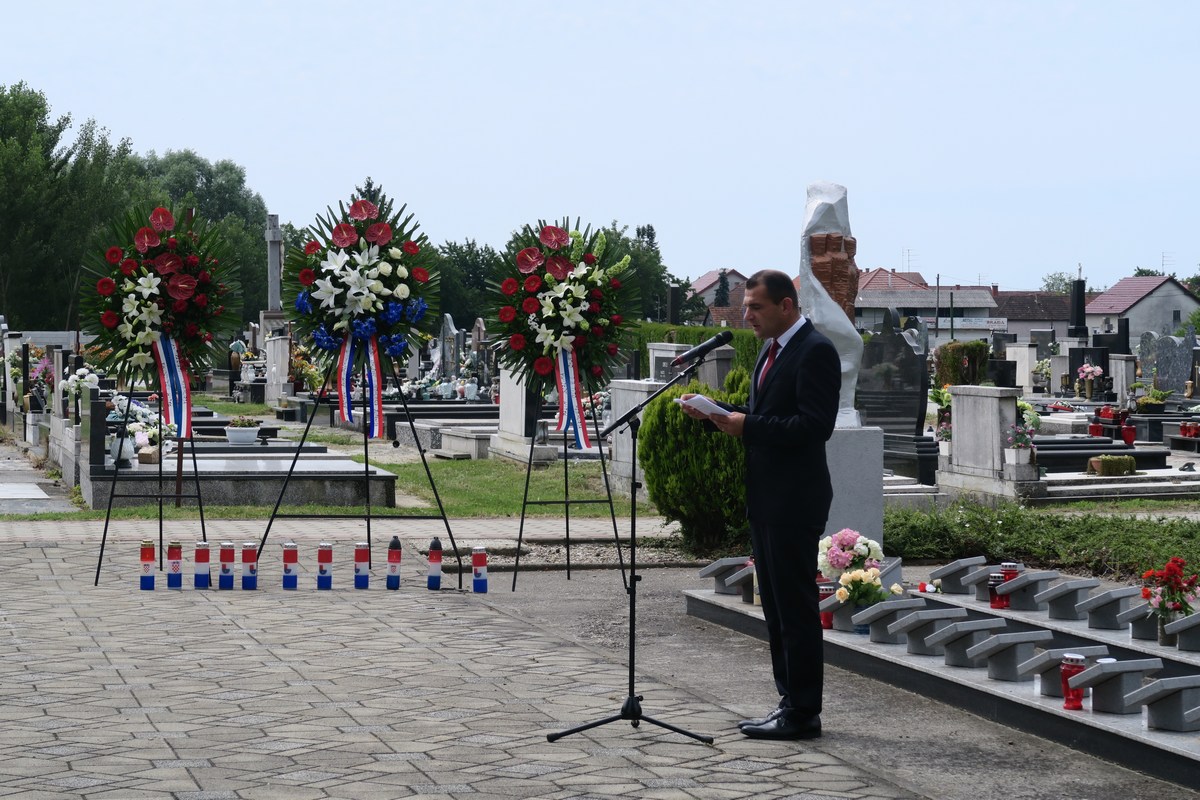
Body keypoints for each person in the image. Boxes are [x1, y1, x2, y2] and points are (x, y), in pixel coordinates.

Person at [680, 269, 840, 740]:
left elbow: (814, 426)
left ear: (786, 306)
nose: (746, 315)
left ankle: (803, 712)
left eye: (755, 307)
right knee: (776, 607)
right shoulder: (771, 352)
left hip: (795, 499)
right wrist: (719, 414)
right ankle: (788, 702)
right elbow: (771, 417)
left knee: (795, 608)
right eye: (746, 307)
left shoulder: (815, 350)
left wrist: (745, 426)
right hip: (767, 497)